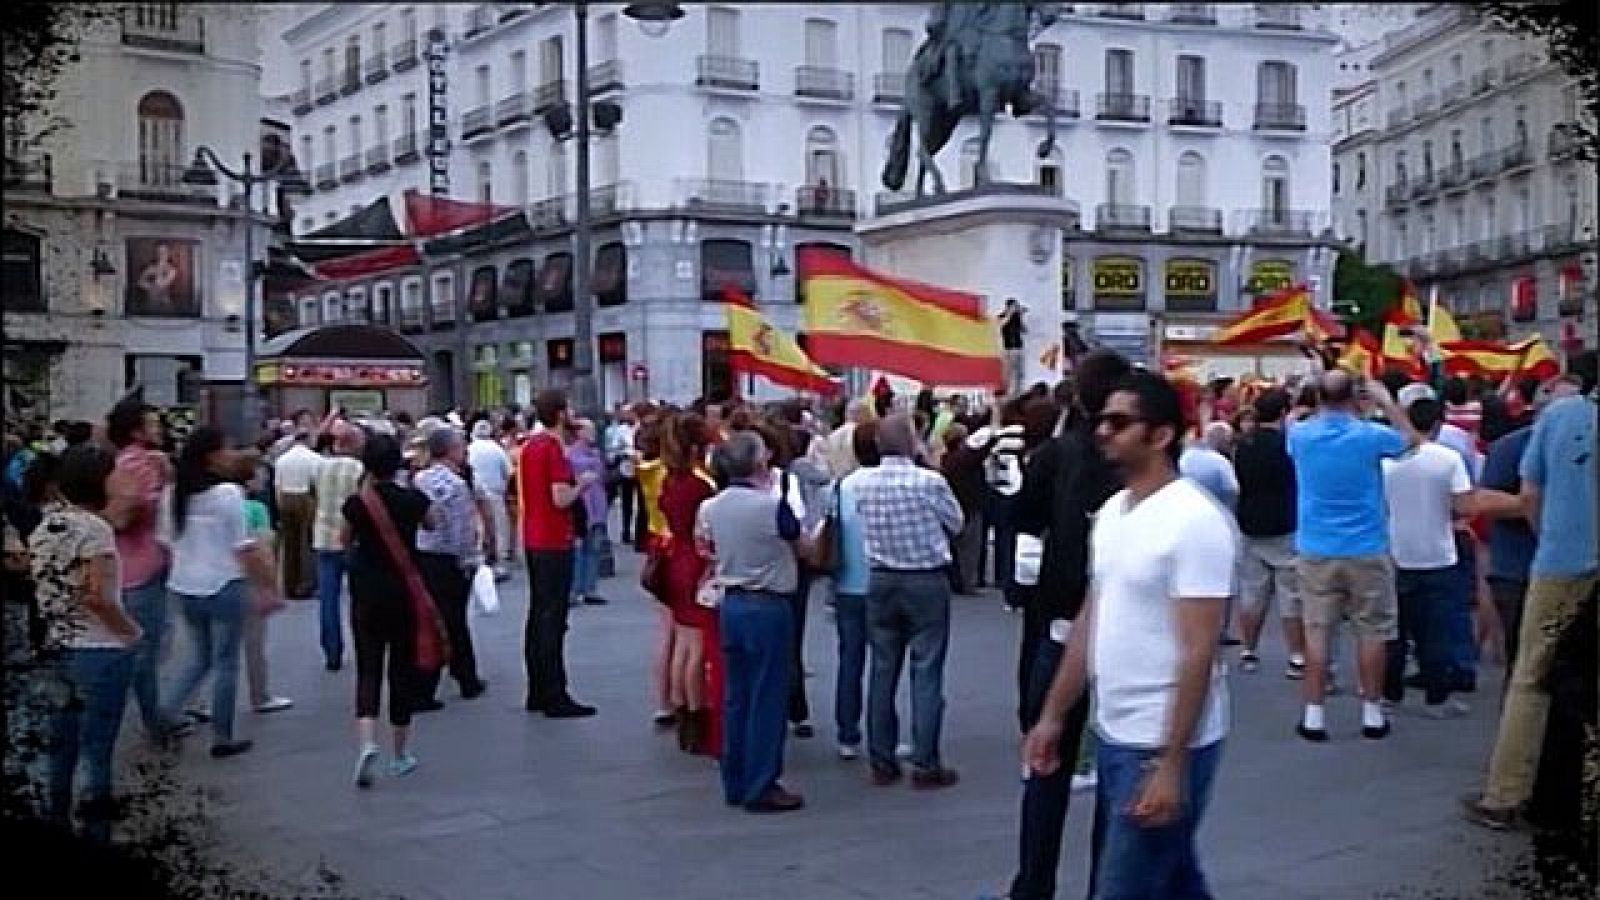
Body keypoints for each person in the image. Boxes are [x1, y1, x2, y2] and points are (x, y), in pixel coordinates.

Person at [1023, 369, 1237, 900]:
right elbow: (1091, 618)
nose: (1102, 432)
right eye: (1100, 420)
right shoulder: (1115, 512)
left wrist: (1171, 763)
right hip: (1115, 728)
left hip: (1159, 739)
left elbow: (1198, 650)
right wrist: (1052, 717)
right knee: (1175, 880)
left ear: (1160, 435)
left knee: (1126, 886)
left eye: (1119, 423)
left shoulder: (1195, 521)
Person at [992, 350, 1129, 900]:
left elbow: (1020, 518)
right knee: (1116, 769)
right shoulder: (1129, 468)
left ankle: (1033, 884)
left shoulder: (1056, 455)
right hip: (1117, 630)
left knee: (1046, 759)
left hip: (1056, 620)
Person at [1464, 357, 1596, 831]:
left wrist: (1551, 535)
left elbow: (1530, 494)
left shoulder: (1562, 418)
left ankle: (1505, 795)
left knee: (1531, 677)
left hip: (1563, 562)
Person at [1287, 370, 1419, 742]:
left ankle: (1313, 714)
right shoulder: (1370, 436)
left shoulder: (1300, 435)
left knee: (1317, 630)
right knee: (1373, 630)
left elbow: (1294, 420)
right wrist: (1386, 401)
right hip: (1366, 545)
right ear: (1356, 396)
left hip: (1316, 546)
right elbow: (1411, 441)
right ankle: (1372, 711)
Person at [32, 444, 143, 840]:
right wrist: (130, 631)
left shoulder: (49, 524)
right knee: (98, 746)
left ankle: (56, 817)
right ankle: (97, 829)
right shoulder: (95, 530)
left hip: (58, 644)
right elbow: (97, 595)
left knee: (61, 742)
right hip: (99, 648)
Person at [694, 430, 807, 813]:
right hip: (768, 601)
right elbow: (802, 545)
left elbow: (705, 547)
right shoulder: (771, 505)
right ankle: (762, 781)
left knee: (736, 695)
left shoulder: (711, 506)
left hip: (731, 601)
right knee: (766, 696)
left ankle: (735, 776)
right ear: (759, 463)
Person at [855, 412, 964, 789]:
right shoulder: (928, 482)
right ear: (912, 441)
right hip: (925, 578)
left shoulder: (862, 484)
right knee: (927, 668)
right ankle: (925, 760)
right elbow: (956, 522)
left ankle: (881, 758)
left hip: (881, 578)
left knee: (883, 669)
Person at [159, 427, 279, 759]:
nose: (233, 455)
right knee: (226, 663)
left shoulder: (173, 494)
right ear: (212, 456)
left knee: (200, 656)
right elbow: (244, 549)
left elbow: (165, 541)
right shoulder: (227, 495)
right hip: (224, 584)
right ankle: (222, 736)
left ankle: (166, 711)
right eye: (227, 449)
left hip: (184, 584)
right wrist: (266, 587)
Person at [341, 433, 435, 787]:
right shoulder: (412, 499)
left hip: (366, 592)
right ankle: (399, 754)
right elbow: (433, 523)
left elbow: (343, 540)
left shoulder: (357, 503)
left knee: (368, 668)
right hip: (404, 592)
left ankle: (367, 742)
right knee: (401, 670)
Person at [1380, 394, 1476, 717]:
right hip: (1438, 553)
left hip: (1395, 551)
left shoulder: (1388, 460)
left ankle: (1388, 694)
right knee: (1436, 631)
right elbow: (1464, 507)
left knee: (1394, 630)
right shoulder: (1448, 459)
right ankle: (1437, 697)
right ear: (1437, 424)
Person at [520, 390, 596, 718]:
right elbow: (560, 498)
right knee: (553, 617)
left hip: (534, 535)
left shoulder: (530, 446)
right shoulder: (552, 450)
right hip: (553, 538)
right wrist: (584, 484)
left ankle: (537, 688)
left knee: (538, 615)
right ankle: (555, 692)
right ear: (561, 413)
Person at [102, 396, 171, 742]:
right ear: (136, 431)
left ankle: (151, 715)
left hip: (135, 564)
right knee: (144, 649)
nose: (159, 428)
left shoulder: (126, 461)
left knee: (143, 646)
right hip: (141, 565)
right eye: (153, 424)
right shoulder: (138, 465)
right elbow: (124, 514)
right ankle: (151, 720)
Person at [656, 413, 719, 754]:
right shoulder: (698, 486)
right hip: (694, 561)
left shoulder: (671, 480)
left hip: (675, 559)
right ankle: (697, 716)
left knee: (682, 641)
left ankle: (682, 710)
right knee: (696, 648)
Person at [1232, 388, 1306, 676]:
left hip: (1250, 523)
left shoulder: (1243, 445)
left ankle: (1249, 650)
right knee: (1291, 596)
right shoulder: (1287, 445)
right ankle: (1296, 656)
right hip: (1283, 523)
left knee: (1252, 594)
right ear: (1283, 413)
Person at [412, 427, 487, 707]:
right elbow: (461, 530)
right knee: (454, 619)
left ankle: (456, 671)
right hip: (449, 559)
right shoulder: (456, 485)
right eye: (461, 447)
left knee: (435, 618)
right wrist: (469, 559)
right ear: (450, 451)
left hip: (426, 553)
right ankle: (461, 676)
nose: (465, 451)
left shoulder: (420, 479)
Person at [832, 420, 880, 759]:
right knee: (885, 661)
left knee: (850, 659)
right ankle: (881, 734)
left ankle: (847, 732)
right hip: (882, 578)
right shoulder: (896, 483)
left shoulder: (844, 486)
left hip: (848, 581)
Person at [232, 450, 292, 714]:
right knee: (254, 644)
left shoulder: (217, 505)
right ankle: (260, 695)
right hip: (251, 579)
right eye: (260, 474)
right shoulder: (256, 509)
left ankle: (202, 702)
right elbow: (264, 548)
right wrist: (272, 585)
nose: (265, 478)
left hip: (221, 578)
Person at [311, 423, 364, 672]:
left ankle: (332, 651)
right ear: (353, 444)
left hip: (323, 536)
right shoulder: (359, 469)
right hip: (351, 539)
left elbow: (313, 496)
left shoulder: (319, 466)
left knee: (328, 599)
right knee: (358, 597)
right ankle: (362, 643)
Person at [272, 429, 321, 600]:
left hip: (286, 498)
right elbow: (317, 483)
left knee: (290, 544)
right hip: (306, 497)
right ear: (307, 439)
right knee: (306, 543)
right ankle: (305, 584)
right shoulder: (314, 458)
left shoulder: (282, 459)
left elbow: (277, 486)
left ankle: (289, 584)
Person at [566, 419, 610, 607]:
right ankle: (575, 589)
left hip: (597, 506)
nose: (593, 433)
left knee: (593, 549)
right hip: (581, 507)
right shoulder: (572, 454)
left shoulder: (594, 453)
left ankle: (590, 588)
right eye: (589, 430)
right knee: (579, 549)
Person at [468, 420, 514, 582]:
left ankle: (479, 560)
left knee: (479, 529)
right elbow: (508, 471)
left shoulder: (469, 449)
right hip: (495, 493)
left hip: (474, 493)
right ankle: (497, 563)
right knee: (499, 529)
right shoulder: (496, 449)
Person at [1179, 421, 1239, 513]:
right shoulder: (1220, 461)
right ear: (1221, 439)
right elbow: (1232, 490)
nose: (1228, 443)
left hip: (1189, 510)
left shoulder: (1185, 456)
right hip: (1217, 511)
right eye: (1228, 439)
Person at [604, 406, 638, 546]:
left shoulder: (634, 427)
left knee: (629, 499)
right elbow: (620, 447)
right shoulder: (622, 430)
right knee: (625, 499)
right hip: (624, 464)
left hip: (627, 463)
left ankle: (628, 530)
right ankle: (625, 531)